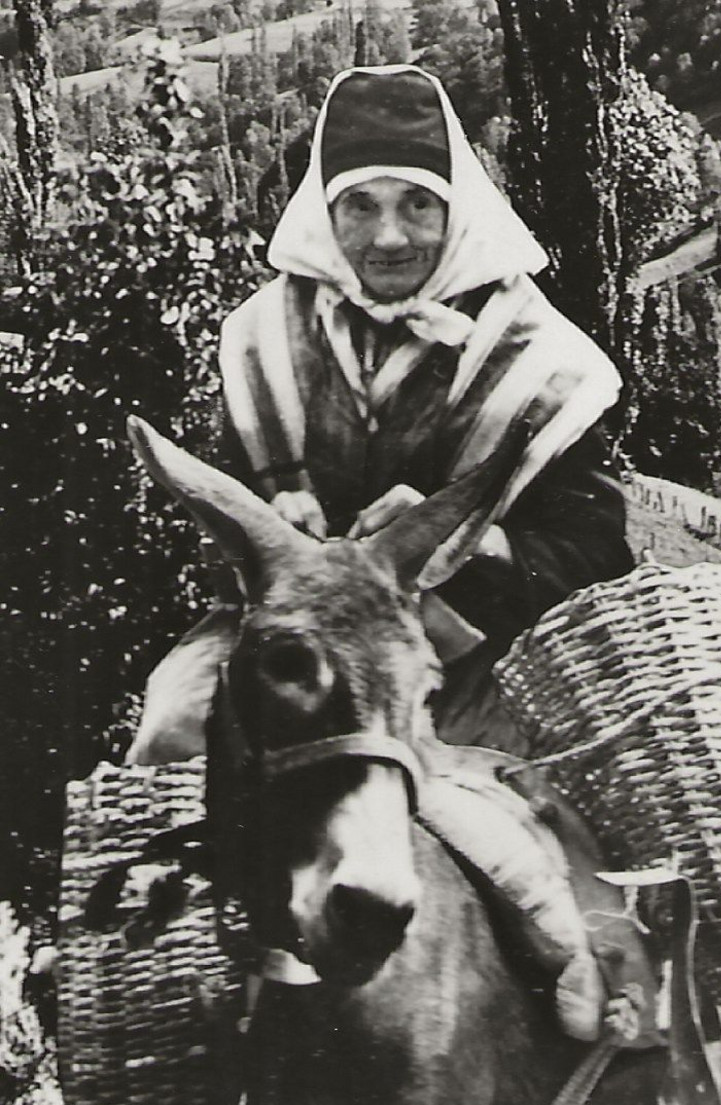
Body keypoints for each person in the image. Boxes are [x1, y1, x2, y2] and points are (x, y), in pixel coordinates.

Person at [129, 63, 633, 764]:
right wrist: (273, 538)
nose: (389, 236)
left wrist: (469, 540)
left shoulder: (541, 363)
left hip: (473, 659)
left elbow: (598, 558)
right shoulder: (265, 338)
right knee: (172, 737)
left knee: (497, 805)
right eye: (361, 205)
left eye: (418, 204)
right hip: (289, 644)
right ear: (325, 215)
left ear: (458, 210)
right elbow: (217, 541)